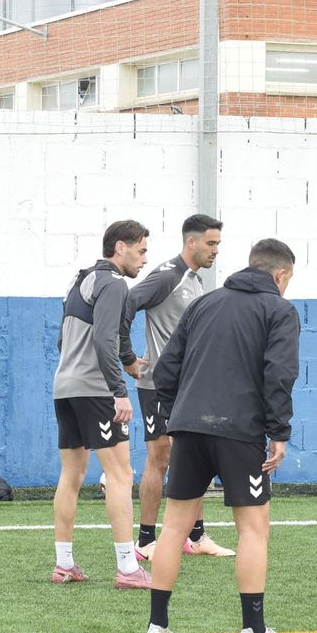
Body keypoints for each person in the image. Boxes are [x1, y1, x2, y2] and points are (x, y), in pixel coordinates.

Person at [143, 238, 301, 633]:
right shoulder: (280, 309)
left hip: (189, 428)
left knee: (174, 526)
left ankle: (156, 627)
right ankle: (253, 632)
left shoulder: (204, 303)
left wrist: (181, 413)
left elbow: (165, 370)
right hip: (240, 432)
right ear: (280, 275)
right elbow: (279, 374)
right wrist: (279, 432)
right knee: (253, 528)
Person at [127, 213, 235, 560]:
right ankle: (145, 541)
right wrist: (125, 355)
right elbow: (127, 303)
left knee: (193, 455)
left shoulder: (195, 280)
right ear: (191, 242)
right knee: (159, 456)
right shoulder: (167, 276)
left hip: (189, 387)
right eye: (211, 243)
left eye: (218, 243)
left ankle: (197, 537)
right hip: (158, 384)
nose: (216, 250)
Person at [51, 220, 152, 589]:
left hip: (65, 386)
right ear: (120, 247)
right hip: (96, 391)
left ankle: (64, 565)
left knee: (72, 476)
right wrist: (118, 390)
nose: (144, 259)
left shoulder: (82, 280)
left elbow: (68, 342)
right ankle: (128, 569)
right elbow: (106, 339)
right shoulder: (113, 283)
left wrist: (128, 362)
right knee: (121, 475)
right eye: (141, 250)